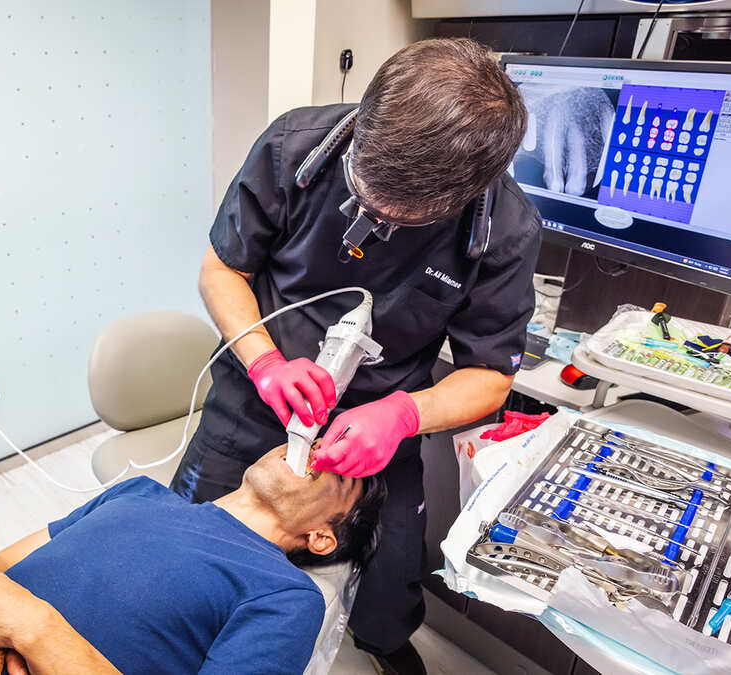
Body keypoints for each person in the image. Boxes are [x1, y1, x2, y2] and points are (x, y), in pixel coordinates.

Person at [170, 37, 541, 674]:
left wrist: (399, 416)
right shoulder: (294, 148)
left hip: (379, 422)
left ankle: (382, 643)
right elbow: (221, 269)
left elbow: (489, 378)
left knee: (393, 572)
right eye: (366, 196)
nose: (374, 219)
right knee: (190, 549)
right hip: (258, 390)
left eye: (404, 214)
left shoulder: (504, 232)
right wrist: (264, 362)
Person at [0, 444, 387, 675]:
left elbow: (5, 602)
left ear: (322, 538)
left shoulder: (284, 594)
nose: (323, 445)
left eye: (346, 467)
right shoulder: (139, 493)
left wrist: (28, 625)